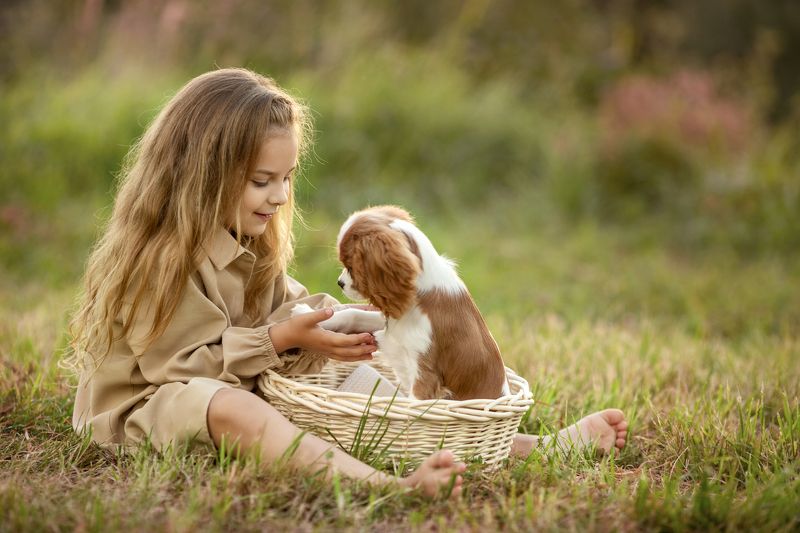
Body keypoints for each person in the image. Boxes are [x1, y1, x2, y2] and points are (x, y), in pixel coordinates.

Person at [67, 68, 627, 499]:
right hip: (148, 406)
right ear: (202, 176)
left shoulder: (245, 241)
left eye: (286, 178)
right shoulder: (158, 259)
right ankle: (385, 486)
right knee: (236, 409)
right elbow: (179, 368)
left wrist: (327, 324)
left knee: (349, 377)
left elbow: (279, 311)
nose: (281, 196)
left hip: (234, 377)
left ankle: (516, 446)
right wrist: (282, 340)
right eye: (262, 181)